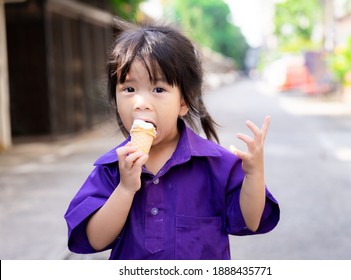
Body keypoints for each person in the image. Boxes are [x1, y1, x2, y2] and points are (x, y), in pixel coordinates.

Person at [64, 20, 280, 260]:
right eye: (128, 89)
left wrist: (254, 174)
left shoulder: (216, 164)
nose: (140, 103)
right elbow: (95, 238)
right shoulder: (111, 168)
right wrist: (125, 189)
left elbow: (251, 221)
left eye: (158, 90)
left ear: (184, 102)